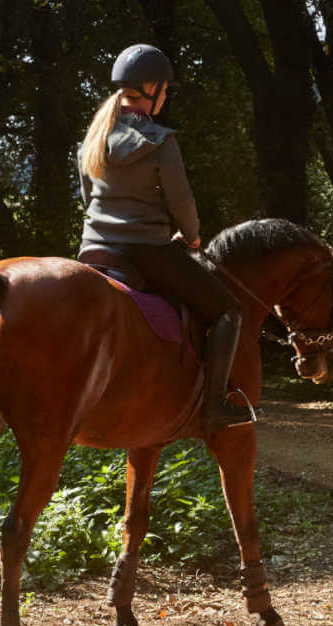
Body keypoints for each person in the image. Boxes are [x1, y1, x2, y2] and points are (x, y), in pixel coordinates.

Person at [76, 43, 252, 433]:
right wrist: (191, 237)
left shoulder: (92, 140)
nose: (167, 96)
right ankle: (214, 408)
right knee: (229, 312)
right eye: (167, 90)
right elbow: (181, 200)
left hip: (93, 249)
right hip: (147, 251)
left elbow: (89, 198)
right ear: (152, 88)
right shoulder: (160, 141)